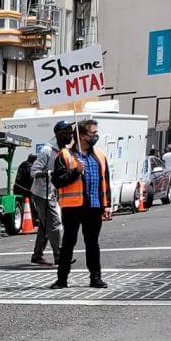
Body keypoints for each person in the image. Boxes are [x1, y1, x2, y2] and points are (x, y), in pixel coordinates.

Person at [51, 119, 112, 290]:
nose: (96, 136)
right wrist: (75, 172)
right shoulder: (65, 155)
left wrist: (106, 205)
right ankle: (62, 279)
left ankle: (96, 277)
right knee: (69, 243)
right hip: (72, 207)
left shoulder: (99, 156)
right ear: (82, 136)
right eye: (93, 133)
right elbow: (57, 181)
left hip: (94, 206)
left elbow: (105, 182)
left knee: (93, 243)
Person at [29, 122, 73, 266]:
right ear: (59, 134)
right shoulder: (47, 150)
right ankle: (60, 256)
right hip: (42, 193)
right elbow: (33, 171)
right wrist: (50, 173)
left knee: (45, 225)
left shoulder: (65, 150)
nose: (71, 135)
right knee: (54, 223)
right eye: (68, 133)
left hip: (52, 192)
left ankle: (37, 255)